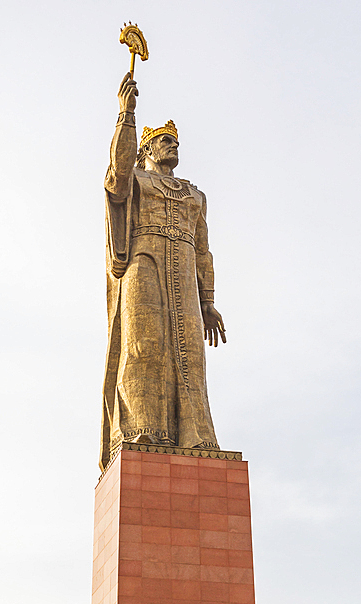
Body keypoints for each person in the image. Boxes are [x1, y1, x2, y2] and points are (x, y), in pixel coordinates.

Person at [101, 73, 226, 470]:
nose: (173, 146)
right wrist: (127, 114)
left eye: (176, 142)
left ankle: (196, 433)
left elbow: (204, 250)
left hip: (185, 269)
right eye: (165, 141)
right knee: (145, 346)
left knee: (189, 354)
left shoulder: (194, 194)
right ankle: (143, 428)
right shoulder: (136, 180)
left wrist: (208, 301)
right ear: (147, 149)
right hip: (145, 262)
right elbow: (116, 178)